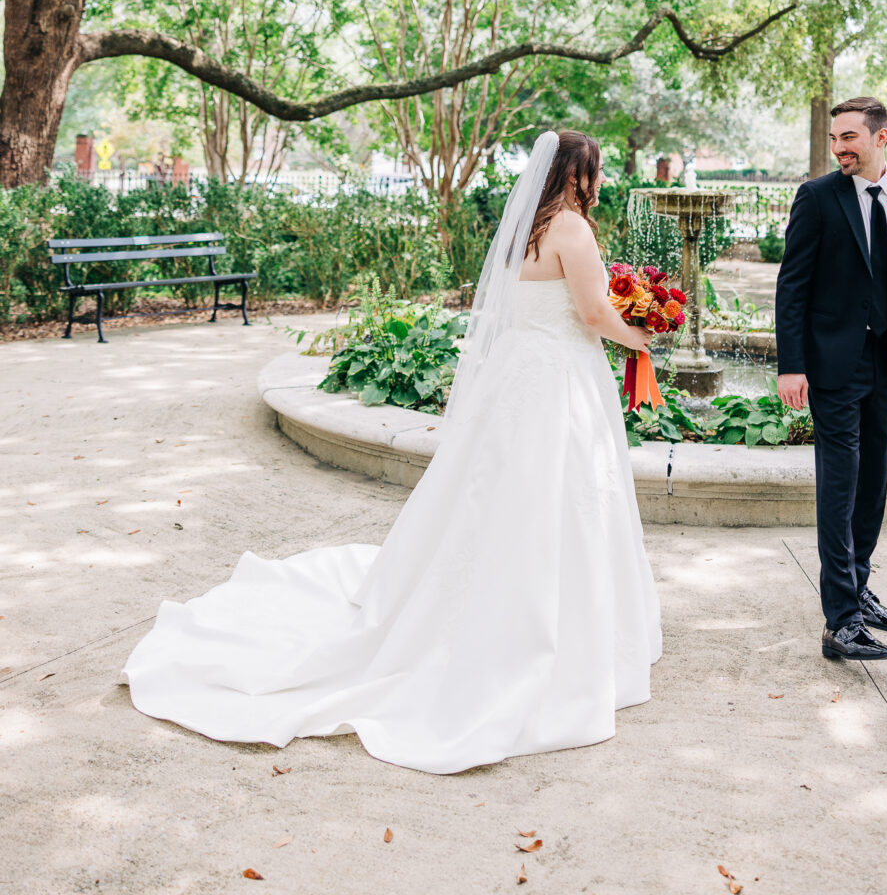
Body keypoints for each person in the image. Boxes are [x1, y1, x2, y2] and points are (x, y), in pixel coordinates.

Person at [120, 130, 661, 772]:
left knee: (500, 495)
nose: (596, 184)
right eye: (594, 173)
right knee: (560, 497)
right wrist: (643, 334)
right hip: (558, 381)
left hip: (519, 377)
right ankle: (551, 627)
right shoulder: (573, 228)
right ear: (580, 175)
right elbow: (595, 315)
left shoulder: (527, 229)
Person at [775, 97, 887, 661]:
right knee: (840, 485)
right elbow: (792, 287)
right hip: (831, 365)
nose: (839, 147)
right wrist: (791, 365)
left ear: (881, 137)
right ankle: (840, 621)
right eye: (834, 138)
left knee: (873, 482)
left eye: (849, 137)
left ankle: (858, 587)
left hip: (884, 364)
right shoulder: (817, 198)